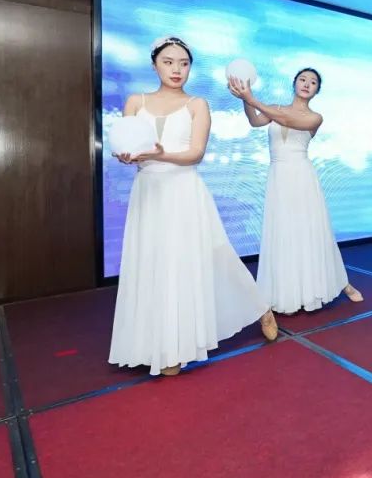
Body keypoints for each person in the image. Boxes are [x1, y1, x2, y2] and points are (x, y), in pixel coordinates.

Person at [109, 36, 278, 377]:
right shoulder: (135, 101)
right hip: (148, 192)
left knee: (211, 257)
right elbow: (125, 145)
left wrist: (160, 154)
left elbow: (195, 154)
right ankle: (158, 345)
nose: (177, 69)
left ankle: (258, 308)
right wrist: (125, 156)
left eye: (184, 63)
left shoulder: (197, 104)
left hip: (184, 190)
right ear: (154, 64)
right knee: (153, 262)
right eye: (168, 62)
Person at [229, 68, 363, 314]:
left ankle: (339, 284)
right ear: (294, 83)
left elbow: (288, 121)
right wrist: (244, 99)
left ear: (317, 91)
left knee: (311, 231)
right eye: (303, 79)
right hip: (278, 178)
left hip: (302, 178)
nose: (307, 84)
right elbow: (255, 121)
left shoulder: (315, 118)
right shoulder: (275, 108)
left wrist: (251, 98)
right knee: (283, 231)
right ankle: (287, 294)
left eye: (313, 82)